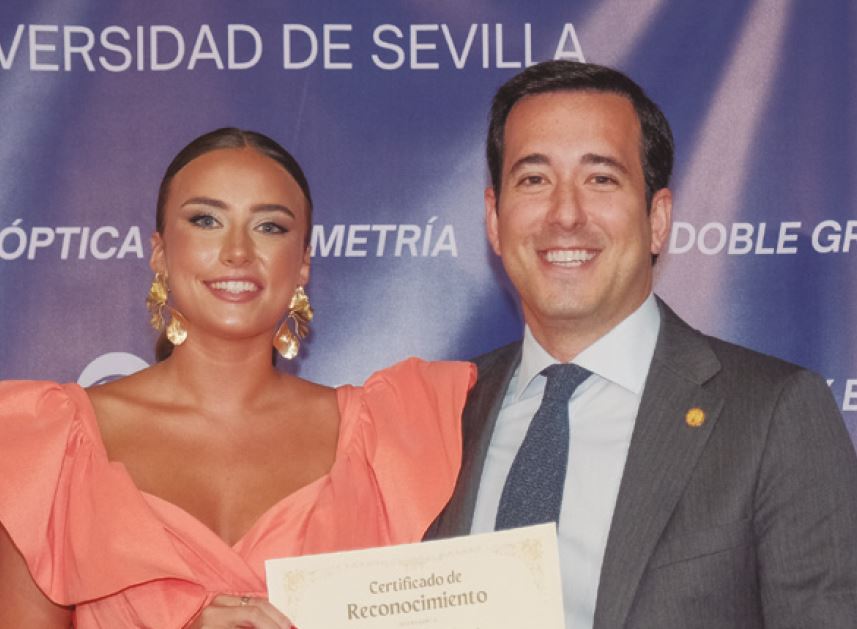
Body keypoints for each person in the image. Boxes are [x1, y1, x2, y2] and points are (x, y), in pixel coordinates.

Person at [426, 61, 857, 628]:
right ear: (493, 219)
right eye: (534, 180)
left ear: (657, 219)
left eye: (601, 179)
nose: (565, 214)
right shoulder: (440, 412)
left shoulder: (774, 413)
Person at [0, 128, 475, 628]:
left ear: (303, 263)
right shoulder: (51, 446)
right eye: (206, 220)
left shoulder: (391, 439)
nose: (238, 252)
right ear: (159, 252)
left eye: (269, 227)